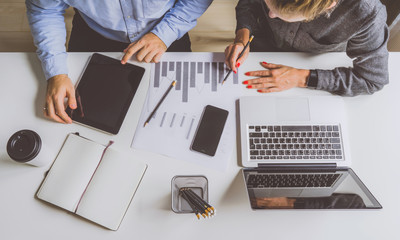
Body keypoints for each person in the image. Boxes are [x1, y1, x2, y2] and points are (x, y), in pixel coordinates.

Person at [26, 0, 213, 124]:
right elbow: (45, 9)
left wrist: (165, 34)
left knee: (182, 110)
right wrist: (56, 71)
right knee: (85, 118)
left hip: (167, 26)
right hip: (94, 32)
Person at [225, 0, 389, 95]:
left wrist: (301, 78)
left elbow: (372, 80)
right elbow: (249, 3)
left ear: (327, 6)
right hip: (263, 45)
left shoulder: (366, 13)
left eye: (279, 12)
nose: (270, 15)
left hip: (319, 66)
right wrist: (242, 37)